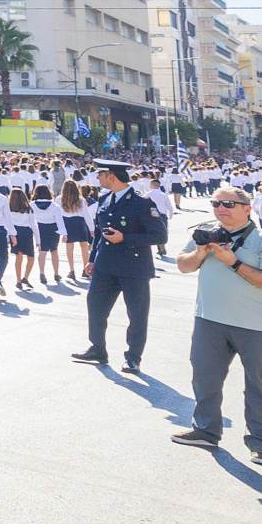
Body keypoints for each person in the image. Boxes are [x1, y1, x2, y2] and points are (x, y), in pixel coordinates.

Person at [170, 185, 262, 461]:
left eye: (228, 204)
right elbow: (183, 264)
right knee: (205, 378)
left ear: (248, 209)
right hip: (209, 320)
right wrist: (201, 252)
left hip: (255, 326)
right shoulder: (207, 232)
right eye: (216, 203)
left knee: (259, 384)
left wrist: (233, 262)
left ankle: (260, 443)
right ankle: (205, 431)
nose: (221, 209)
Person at [74, 160, 169, 374]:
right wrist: (91, 259)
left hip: (133, 266)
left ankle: (133, 357)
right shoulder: (104, 199)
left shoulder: (141, 203)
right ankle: (98, 348)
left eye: (100, 174)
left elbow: (160, 235)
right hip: (105, 264)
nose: (97, 178)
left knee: (136, 313)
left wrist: (125, 237)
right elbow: (99, 232)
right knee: (95, 306)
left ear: (111, 176)